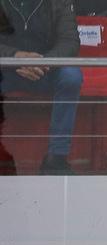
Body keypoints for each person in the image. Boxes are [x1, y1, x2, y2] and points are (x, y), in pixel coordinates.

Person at [0, 0, 82, 174]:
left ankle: (56, 159)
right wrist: (16, 57)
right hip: (7, 68)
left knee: (72, 76)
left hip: (46, 69)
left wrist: (43, 62)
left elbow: (70, 41)